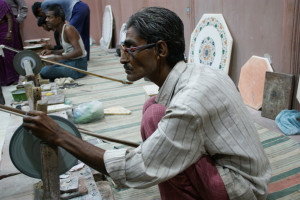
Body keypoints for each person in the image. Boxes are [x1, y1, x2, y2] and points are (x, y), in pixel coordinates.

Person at [23, 7, 272, 200]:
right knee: (154, 107)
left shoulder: (188, 103)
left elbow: (137, 168)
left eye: (130, 48)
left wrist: (59, 135)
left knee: (157, 139)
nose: (122, 58)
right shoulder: (198, 71)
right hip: (244, 172)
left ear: (160, 49)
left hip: (241, 189)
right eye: (122, 48)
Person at [39, 4, 87, 81]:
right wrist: (52, 52)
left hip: (78, 66)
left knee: (45, 71)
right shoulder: (59, 32)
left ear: (58, 19)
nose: (46, 20)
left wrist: (58, 59)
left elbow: (79, 51)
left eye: (49, 17)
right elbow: (68, 50)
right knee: (45, 68)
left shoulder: (68, 29)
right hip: (70, 62)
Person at [0, 0, 22, 86]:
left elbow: (9, 17)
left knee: (8, 54)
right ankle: (4, 80)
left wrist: (9, 32)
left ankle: (14, 78)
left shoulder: (2, 3)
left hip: (4, 30)